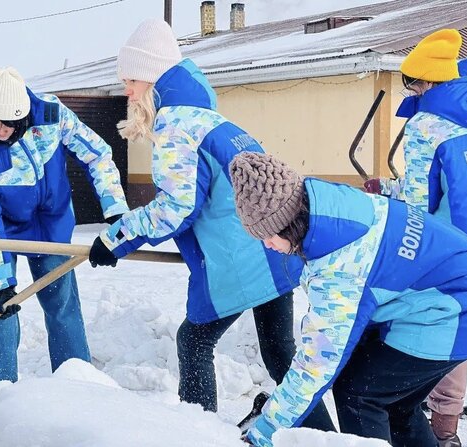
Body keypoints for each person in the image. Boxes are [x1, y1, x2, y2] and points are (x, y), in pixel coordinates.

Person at [86, 18, 334, 430]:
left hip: (240, 257)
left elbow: (175, 207)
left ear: (150, 77)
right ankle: (324, 438)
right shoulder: (213, 120)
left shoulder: (176, 125)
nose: (126, 90)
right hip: (274, 248)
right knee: (279, 353)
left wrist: (115, 238)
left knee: (194, 341)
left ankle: (197, 432)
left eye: (131, 80)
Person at [228, 151, 467, 447]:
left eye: (269, 234)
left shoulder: (338, 262)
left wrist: (267, 429)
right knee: (395, 403)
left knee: (359, 393)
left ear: (289, 221)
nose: (267, 244)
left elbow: (317, 363)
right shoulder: (332, 207)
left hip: (459, 308)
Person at [364, 29, 467, 445]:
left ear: (426, 82)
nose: (412, 91)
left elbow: (421, 202)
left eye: (412, 83)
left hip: (459, 248)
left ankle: (445, 430)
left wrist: (394, 204)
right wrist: (387, 187)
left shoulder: (427, 126)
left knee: (450, 328)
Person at [0, 67, 129, 383]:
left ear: (23, 115)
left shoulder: (51, 115)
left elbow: (98, 155)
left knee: (61, 301)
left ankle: (75, 379)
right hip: (1, 229)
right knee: (1, 303)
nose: (0, 130)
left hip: (51, 221)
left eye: (8, 122)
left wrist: (115, 210)